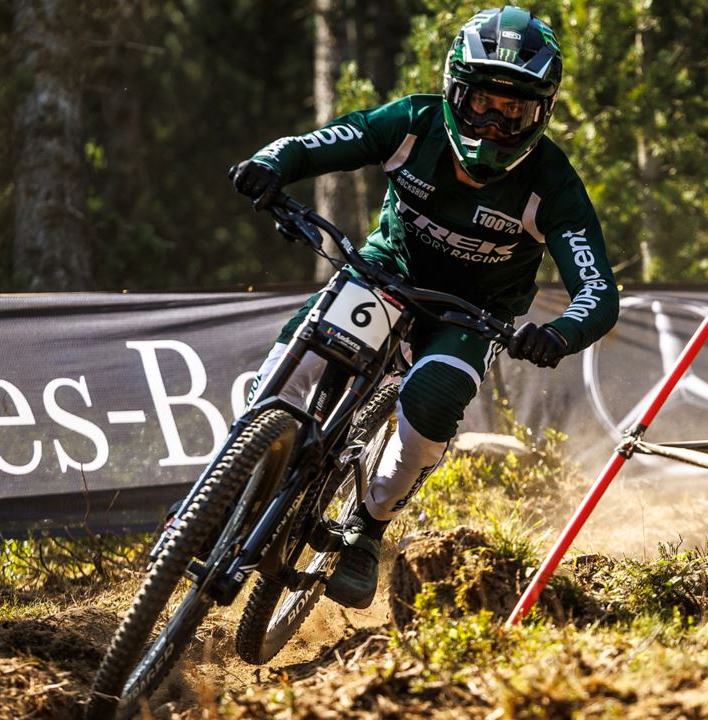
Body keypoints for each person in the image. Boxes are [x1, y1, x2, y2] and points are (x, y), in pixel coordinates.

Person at [228, 5, 618, 609]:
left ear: (543, 113)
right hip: (388, 274)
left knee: (431, 402)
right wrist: (271, 162)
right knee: (293, 365)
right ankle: (236, 474)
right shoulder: (413, 123)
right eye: (483, 103)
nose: (493, 124)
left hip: (472, 314)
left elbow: (598, 292)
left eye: (514, 110)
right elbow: (315, 144)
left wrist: (559, 334)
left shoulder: (553, 183)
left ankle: (368, 529)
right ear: (453, 90)